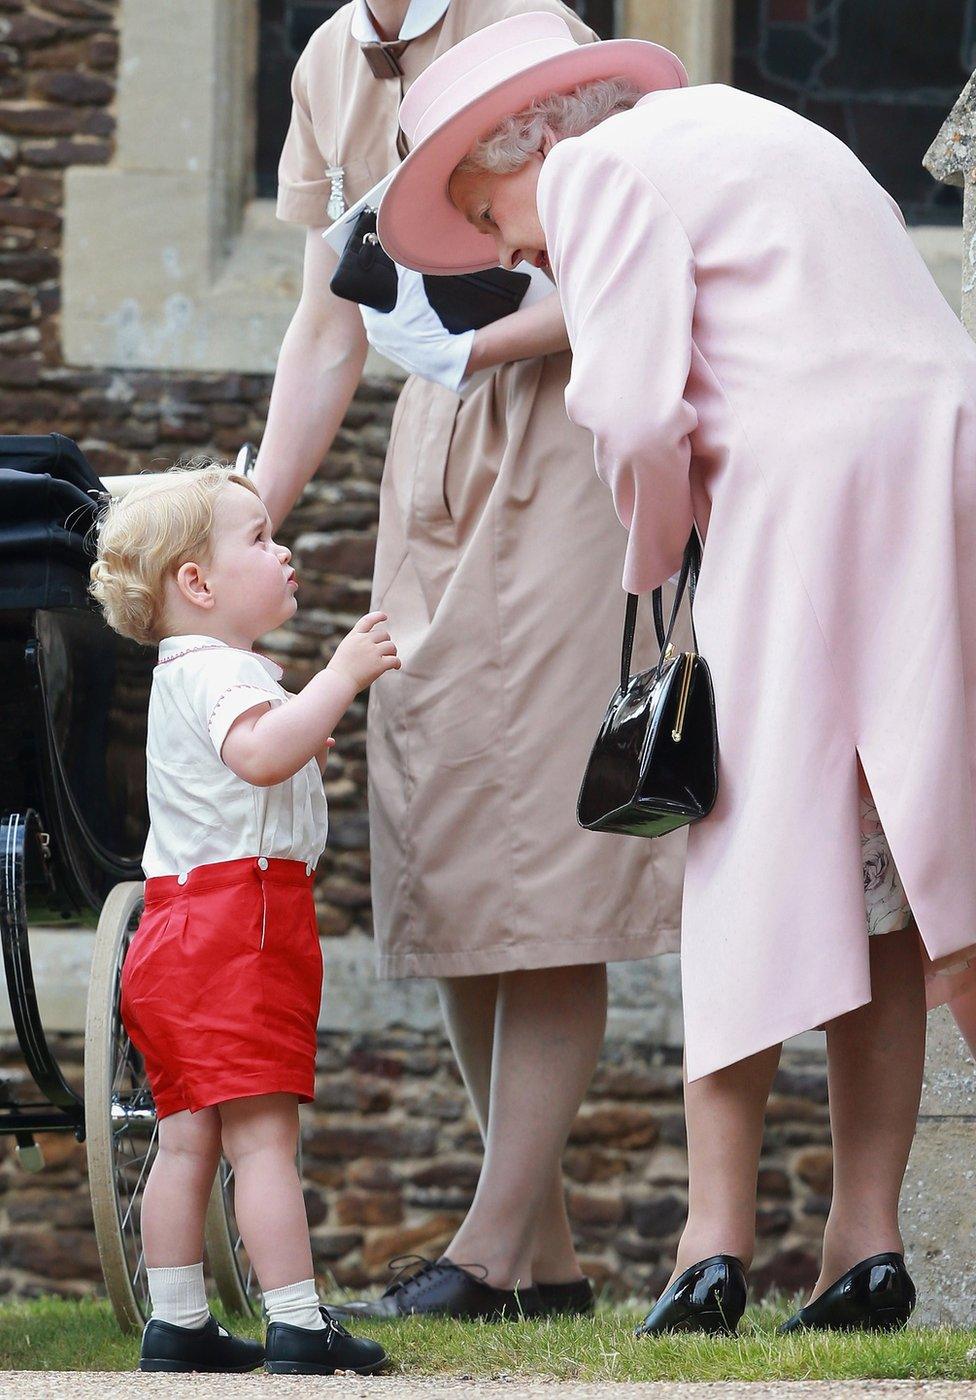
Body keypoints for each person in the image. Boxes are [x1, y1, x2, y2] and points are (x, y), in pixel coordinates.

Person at [377, 9, 976, 1334]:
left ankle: (710, 1248)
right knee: (890, 870)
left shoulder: (596, 170)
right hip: (938, 468)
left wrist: (657, 561)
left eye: (483, 214)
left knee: (748, 846)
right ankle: (862, 1250)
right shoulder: (744, 125)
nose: (502, 249)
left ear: (513, 144)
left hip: (804, 496)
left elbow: (639, 409)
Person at [257, 0, 686, 1320]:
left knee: (543, 853)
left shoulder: (535, 28)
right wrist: (246, 509)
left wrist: (472, 344)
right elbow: (331, 317)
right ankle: (541, 1262)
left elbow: (626, 263)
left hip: (562, 447)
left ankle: (489, 1254)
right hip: (433, 469)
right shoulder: (330, 55)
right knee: (451, 856)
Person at [90, 465, 396, 1375]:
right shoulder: (222, 669)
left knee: (186, 1138)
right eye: (260, 538)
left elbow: (256, 754)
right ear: (197, 583)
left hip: (174, 927)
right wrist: (339, 679)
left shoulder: (185, 672)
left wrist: (302, 713)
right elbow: (260, 756)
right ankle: (298, 1319)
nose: (284, 548)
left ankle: (177, 1320)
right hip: (241, 926)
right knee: (264, 1137)